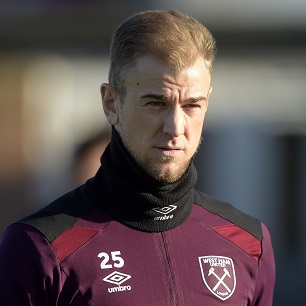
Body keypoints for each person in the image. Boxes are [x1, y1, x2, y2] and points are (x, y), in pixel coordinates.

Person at [0, 10, 275, 305]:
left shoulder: (248, 242)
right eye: (156, 103)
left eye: (192, 105)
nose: (175, 127)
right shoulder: (40, 246)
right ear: (111, 104)